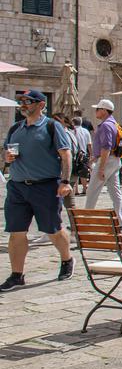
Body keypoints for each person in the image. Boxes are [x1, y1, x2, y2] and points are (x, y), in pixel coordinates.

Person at [1, 91, 74, 291]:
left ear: (41, 105)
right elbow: (7, 151)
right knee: (16, 232)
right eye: (21, 101)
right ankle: (17, 275)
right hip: (17, 186)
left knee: (53, 229)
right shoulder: (16, 128)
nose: (23, 105)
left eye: (28, 101)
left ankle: (67, 259)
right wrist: (7, 157)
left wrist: (65, 181)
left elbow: (66, 154)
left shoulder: (52, 126)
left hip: (45, 186)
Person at [84, 99, 122, 230]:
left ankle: (85, 221)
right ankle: (121, 223)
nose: (95, 111)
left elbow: (106, 147)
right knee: (115, 193)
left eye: (97, 109)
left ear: (103, 110)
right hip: (113, 160)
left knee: (92, 190)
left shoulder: (106, 125)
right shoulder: (113, 123)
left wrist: (101, 167)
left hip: (107, 161)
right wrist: (94, 158)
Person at [68, 115, 91, 195]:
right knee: (83, 172)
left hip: (74, 154)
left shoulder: (71, 131)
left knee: (75, 172)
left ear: (73, 123)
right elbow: (89, 144)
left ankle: (76, 190)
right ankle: (85, 189)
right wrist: (91, 154)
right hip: (84, 154)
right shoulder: (86, 131)